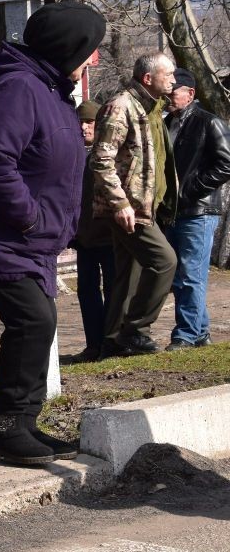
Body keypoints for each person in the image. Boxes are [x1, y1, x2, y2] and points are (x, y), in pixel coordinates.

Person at [0, 0, 106, 465]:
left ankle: (24, 424)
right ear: (68, 47)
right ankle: (8, 428)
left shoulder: (50, 88)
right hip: (0, 235)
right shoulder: (18, 87)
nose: (94, 59)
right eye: (90, 50)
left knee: (40, 322)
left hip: (29, 240)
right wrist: (29, 217)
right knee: (32, 321)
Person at [92, 52, 178, 357]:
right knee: (164, 261)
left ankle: (113, 341)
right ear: (148, 78)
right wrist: (121, 204)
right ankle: (136, 331)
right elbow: (101, 160)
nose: (173, 80)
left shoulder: (153, 108)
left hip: (145, 206)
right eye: (168, 74)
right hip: (130, 208)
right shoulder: (121, 106)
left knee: (129, 274)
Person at [164, 68, 230, 349]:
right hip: (173, 212)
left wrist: (189, 192)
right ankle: (199, 331)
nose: (167, 97)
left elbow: (226, 163)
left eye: (172, 92)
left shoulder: (208, 122)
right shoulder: (166, 123)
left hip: (199, 212)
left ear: (190, 94)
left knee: (191, 274)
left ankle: (186, 334)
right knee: (180, 274)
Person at [70, 100, 116, 363]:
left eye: (89, 122)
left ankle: (111, 343)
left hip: (109, 235)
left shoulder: (109, 154)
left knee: (113, 290)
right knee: (87, 291)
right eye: (80, 122)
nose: (84, 128)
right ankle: (93, 344)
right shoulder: (74, 154)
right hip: (83, 237)